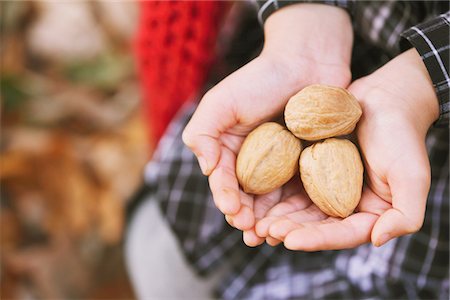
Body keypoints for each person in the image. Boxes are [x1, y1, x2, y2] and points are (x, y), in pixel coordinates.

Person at [126, 1, 449, 299]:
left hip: (433, 172)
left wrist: (419, 83)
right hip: (306, 57)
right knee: (161, 261)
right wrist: (301, 17)